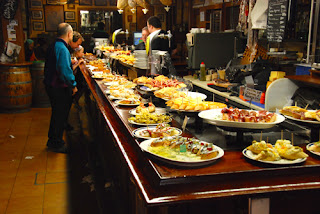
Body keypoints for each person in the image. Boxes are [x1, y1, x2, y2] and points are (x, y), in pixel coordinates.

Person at [44, 23, 77, 153]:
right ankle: (55, 143)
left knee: (58, 113)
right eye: (72, 34)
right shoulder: (62, 48)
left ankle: (54, 139)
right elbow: (64, 71)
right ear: (69, 34)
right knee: (59, 114)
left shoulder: (55, 45)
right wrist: (73, 85)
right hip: (57, 86)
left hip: (51, 85)